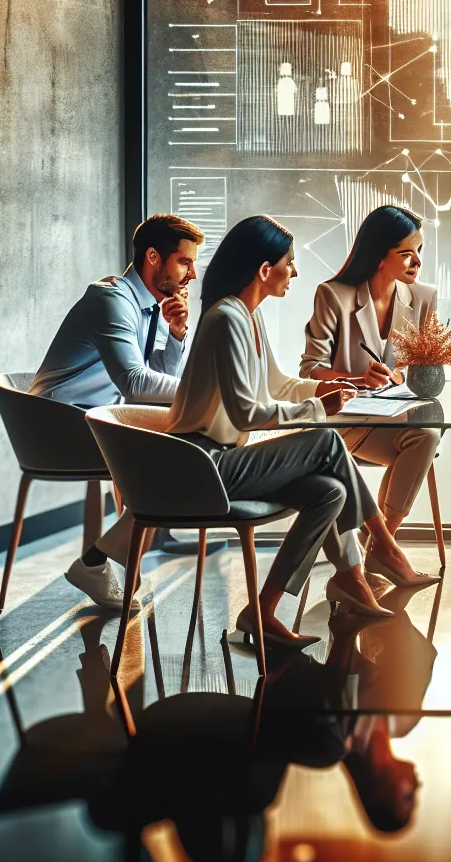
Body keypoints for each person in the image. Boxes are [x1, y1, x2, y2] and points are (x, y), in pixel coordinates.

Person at [165, 215, 393, 649]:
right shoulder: (225, 319)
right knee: (326, 439)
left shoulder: (248, 316)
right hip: (200, 463)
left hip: (220, 459)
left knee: (330, 491)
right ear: (264, 270)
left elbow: (276, 384)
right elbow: (247, 412)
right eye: (290, 263)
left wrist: (326, 387)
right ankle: (372, 553)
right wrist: (316, 408)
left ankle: (263, 610)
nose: (296, 272)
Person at [34, 214, 203, 610]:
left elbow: (152, 380)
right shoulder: (112, 300)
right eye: (185, 262)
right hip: (55, 425)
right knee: (182, 447)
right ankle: (101, 560)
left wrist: (177, 338)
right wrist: (204, 395)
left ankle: (100, 559)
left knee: (188, 441)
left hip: (95, 418)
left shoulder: (146, 306)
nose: (192, 275)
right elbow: (136, 384)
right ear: (152, 257)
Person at [300, 205, 442, 588]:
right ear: (380, 255)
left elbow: (423, 366)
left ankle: (378, 545)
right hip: (343, 420)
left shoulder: (423, 298)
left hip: (396, 417)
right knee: (422, 442)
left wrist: (408, 376)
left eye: (420, 250)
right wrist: (357, 378)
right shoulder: (334, 295)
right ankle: (383, 551)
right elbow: (310, 369)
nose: (417, 261)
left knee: (427, 434)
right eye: (406, 253)